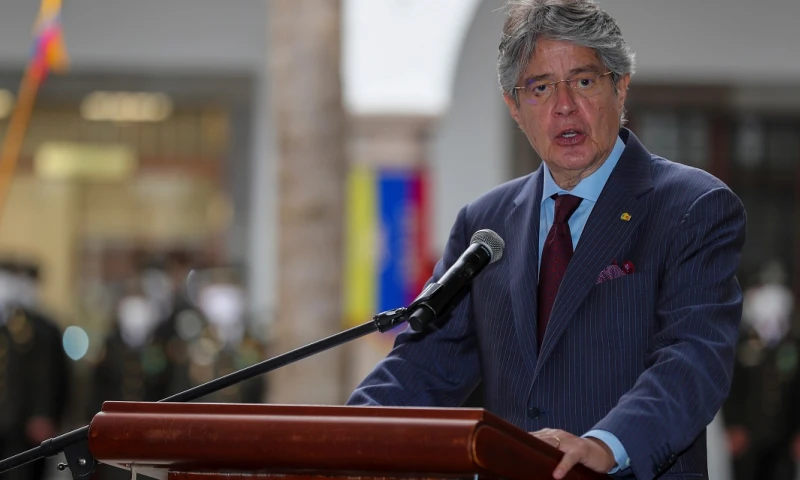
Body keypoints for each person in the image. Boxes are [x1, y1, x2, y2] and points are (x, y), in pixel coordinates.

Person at [346, 1, 747, 479]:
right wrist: (337, 440)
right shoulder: (485, 223)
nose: (564, 106)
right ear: (514, 107)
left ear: (620, 86)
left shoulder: (692, 206)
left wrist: (603, 444)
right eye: (539, 88)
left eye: (584, 81)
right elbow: (422, 368)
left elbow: (694, 360)